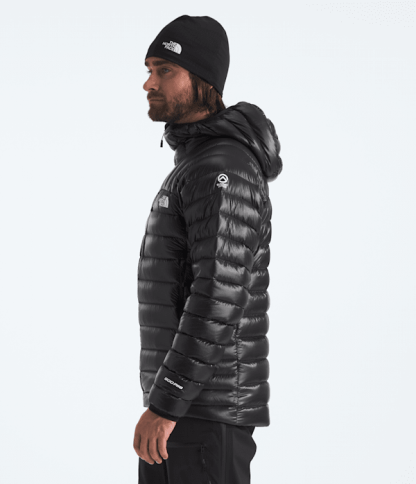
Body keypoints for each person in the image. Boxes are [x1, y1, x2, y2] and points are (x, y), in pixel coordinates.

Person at [133, 15, 283, 484]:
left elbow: (218, 294)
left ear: (203, 81)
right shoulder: (198, 164)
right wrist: (166, 402)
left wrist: (166, 402)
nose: (148, 83)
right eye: (149, 70)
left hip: (202, 415)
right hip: (186, 411)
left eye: (164, 71)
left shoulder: (223, 168)